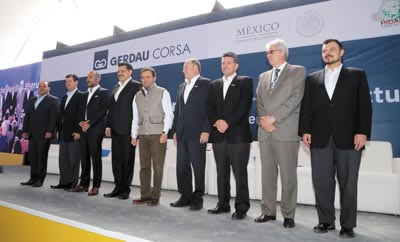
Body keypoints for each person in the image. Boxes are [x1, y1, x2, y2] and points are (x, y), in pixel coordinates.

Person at [299, 39, 372, 238]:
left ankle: (348, 225)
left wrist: (362, 131)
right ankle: (326, 221)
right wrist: (305, 130)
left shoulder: (356, 75)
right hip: (319, 137)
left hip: (349, 137)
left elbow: (364, 106)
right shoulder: (312, 78)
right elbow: (306, 107)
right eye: (325, 51)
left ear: (342, 52)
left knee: (348, 183)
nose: (328, 53)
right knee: (322, 182)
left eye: (332, 49)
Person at [254, 39, 306, 228]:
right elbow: (258, 100)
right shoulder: (263, 76)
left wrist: (274, 118)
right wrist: (264, 121)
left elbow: (296, 97)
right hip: (265, 132)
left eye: (271, 52)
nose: (268, 55)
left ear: (282, 52)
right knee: (267, 174)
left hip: (286, 131)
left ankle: (288, 215)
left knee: (288, 175)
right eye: (267, 52)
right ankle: (268, 211)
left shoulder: (297, 71)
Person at [206, 52, 253, 220]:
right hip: (219, 136)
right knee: (221, 172)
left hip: (238, 136)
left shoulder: (245, 81)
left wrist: (227, 122)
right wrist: (217, 121)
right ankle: (223, 204)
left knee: (240, 173)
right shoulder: (214, 84)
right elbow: (209, 108)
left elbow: (243, 106)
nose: (225, 65)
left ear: (236, 66)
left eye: (229, 63)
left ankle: (241, 207)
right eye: (223, 63)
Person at [170, 58, 211, 211]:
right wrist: (175, 130)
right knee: (182, 167)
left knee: (198, 166)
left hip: (198, 133)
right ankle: (185, 196)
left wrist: (206, 129)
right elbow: (178, 111)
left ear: (195, 68)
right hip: (182, 133)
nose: (183, 70)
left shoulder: (206, 84)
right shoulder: (181, 86)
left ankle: (197, 198)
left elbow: (209, 109)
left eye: (185, 67)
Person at [131, 67, 174, 206]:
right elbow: (135, 117)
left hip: (157, 134)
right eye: (142, 77)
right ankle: (145, 195)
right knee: (144, 167)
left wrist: (165, 132)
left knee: (157, 167)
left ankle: (155, 196)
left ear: (154, 78)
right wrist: (134, 135)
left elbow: (168, 113)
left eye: (148, 77)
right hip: (143, 135)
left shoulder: (163, 92)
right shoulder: (137, 95)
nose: (145, 79)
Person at [104, 63, 141, 200]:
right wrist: (108, 125)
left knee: (127, 161)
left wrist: (135, 132)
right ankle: (117, 187)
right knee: (117, 161)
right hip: (115, 130)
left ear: (130, 72)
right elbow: (111, 109)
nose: (120, 73)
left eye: (123, 71)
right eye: (118, 71)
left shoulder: (136, 86)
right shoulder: (115, 87)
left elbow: (138, 111)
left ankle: (125, 189)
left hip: (128, 131)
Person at [69, 71, 109, 196]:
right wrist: (81, 123)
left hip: (95, 130)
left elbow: (102, 111)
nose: (88, 79)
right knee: (84, 158)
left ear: (98, 79)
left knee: (96, 158)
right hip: (84, 130)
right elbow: (79, 111)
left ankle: (96, 186)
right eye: (87, 77)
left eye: (91, 77)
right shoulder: (84, 95)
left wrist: (89, 123)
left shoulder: (103, 92)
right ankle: (83, 185)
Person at [21, 81, 59, 187]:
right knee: (33, 157)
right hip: (32, 134)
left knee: (41, 157)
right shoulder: (33, 100)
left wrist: (50, 131)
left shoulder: (53, 100)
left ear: (49, 88)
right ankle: (32, 178)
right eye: (40, 86)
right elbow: (27, 116)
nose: (41, 88)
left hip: (44, 134)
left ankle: (40, 179)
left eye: (44, 86)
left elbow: (53, 118)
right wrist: (25, 130)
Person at [51, 74, 83, 191]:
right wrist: (59, 130)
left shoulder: (81, 96)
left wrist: (79, 131)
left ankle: (73, 183)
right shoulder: (64, 97)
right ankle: (63, 182)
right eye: (66, 82)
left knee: (74, 159)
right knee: (63, 159)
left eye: (70, 81)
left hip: (74, 133)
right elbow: (61, 116)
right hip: (63, 132)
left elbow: (82, 115)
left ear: (76, 82)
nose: (68, 83)